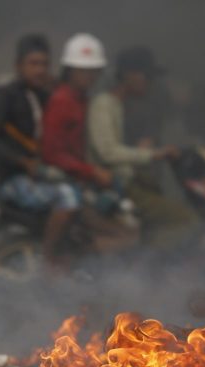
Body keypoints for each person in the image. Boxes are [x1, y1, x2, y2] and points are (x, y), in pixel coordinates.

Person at [0, 33, 87, 264]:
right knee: (67, 197)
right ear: (19, 66)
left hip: (41, 176)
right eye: (33, 64)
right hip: (12, 179)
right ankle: (49, 259)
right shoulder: (4, 96)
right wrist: (22, 162)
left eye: (45, 64)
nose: (40, 70)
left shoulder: (45, 96)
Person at [87, 46, 199, 248]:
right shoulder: (104, 104)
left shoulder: (119, 105)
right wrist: (151, 154)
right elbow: (107, 152)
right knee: (187, 219)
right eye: (147, 76)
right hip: (118, 186)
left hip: (127, 182)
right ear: (130, 76)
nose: (150, 82)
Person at [40, 33, 137, 257]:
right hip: (64, 175)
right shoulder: (63, 100)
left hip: (78, 173)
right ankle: (55, 259)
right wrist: (91, 171)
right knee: (114, 230)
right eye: (83, 70)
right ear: (70, 70)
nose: (89, 76)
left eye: (93, 71)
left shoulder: (81, 99)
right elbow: (52, 152)